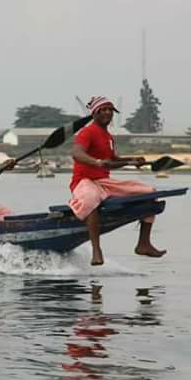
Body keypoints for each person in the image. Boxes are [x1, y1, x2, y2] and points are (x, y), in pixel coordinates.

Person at [70, 96, 166, 266]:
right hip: (84, 182)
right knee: (90, 199)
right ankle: (97, 250)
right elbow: (77, 154)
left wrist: (133, 160)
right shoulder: (87, 132)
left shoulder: (108, 136)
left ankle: (143, 244)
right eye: (104, 110)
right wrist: (97, 162)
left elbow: (113, 161)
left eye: (110, 110)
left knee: (151, 193)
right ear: (95, 113)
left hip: (104, 183)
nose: (108, 113)